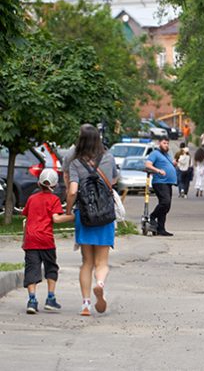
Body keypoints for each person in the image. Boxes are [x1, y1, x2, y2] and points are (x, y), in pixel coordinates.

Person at [66, 124, 119, 316]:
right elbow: (113, 182)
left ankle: (86, 304)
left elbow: (72, 190)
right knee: (102, 261)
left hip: (84, 215)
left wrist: (68, 208)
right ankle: (101, 283)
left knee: (86, 262)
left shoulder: (75, 163)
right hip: (105, 214)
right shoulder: (109, 158)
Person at [22, 169, 74, 314]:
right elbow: (56, 219)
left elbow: (26, 220)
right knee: (51, 268)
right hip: (46, 241)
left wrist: (23, 240)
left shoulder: (32, 199)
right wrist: (72, 217)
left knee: (31, 270)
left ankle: (32, 301)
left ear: (39, 183)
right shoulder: (54, 199)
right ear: (55, 185)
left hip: (31, 240)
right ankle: (50, 298)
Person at [145, 138, 177, 236]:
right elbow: (148, 164)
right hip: (160, 182)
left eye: (167, 143)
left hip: (168, 183)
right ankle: (152, 216)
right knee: (165, 202)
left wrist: (174, 164)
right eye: (164, 143)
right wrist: (158, 170)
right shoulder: (155, 153)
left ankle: (161, 228)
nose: (166, 145)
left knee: (166, 206)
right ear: (159, 143)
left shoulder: (167, 155)